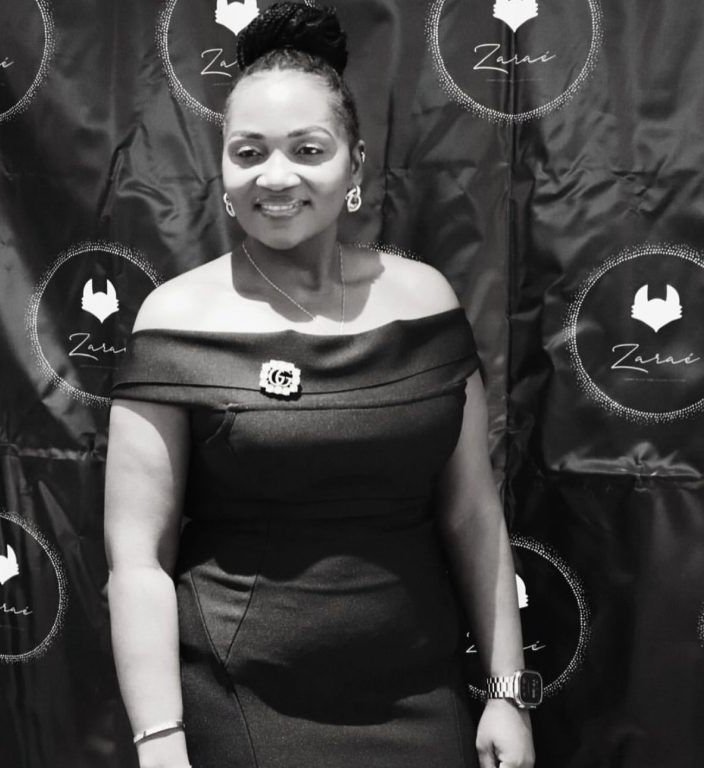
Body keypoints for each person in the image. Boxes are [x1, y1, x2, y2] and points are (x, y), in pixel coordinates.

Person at [104, 4, 535, 768]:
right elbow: (138, 559)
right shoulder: (174, 319)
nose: (276, 177)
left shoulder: (427, 301)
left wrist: (505, 689)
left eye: (308, 149)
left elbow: (472, 511)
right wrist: (160, 740)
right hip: (241, 701)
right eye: (248, 152)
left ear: (355, 164)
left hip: (421, 698)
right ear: (225, 170)